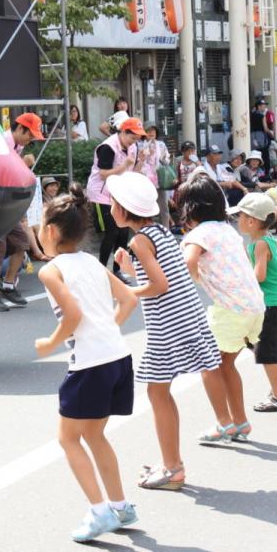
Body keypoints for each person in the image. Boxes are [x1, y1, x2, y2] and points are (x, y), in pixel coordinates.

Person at [34, 184, 140, 542]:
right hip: (117, 357)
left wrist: (51, 342)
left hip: (90, 364)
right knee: (95, 435)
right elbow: (127, 299)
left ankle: (99, 512)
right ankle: (122, 506)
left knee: (68, 439)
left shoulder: (51, 271)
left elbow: (73, 315)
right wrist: (107, 328)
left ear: (50, 232)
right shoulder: (92, 262)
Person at [108, 173, 220, 491]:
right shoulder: (156, 232)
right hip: (184, 315)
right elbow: (160, 275)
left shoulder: (139, 240)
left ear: (123, 208)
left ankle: (173, 468)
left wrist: (123, 289)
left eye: (113, 203)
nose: (109, 207)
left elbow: (159, 285)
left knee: (157, 392)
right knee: (160, 391)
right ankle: (172, 464)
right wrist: (131, 272)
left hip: (169, 322)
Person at [178, 175, 265, 445]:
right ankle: (240, 421)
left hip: (229, 309)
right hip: (253, 307)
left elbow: (188, 261)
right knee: (226, 365)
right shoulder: (227, 229)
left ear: (189, 209)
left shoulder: (199, 234)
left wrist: (192, 281)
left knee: (208, 365)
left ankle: (224, 423)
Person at [0, 114, 49, 312]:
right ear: (20, 129)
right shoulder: (1, 143)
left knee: (21, 242)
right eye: (30, 135)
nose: (31, 140)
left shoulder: (17, 146)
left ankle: (8, 285)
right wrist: (22, 165)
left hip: (7, 203)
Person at [232, 192, 277, 413]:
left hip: (269, 302)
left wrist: (238, 275)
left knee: (265, 350)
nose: (237, 220)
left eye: (240, 216)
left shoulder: (259, 244)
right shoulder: (267, 240)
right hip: (274, 301)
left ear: (252, 221)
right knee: (253, 341)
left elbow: (259, 276)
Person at [86, 116, 147, 271]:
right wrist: (124, 165)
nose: (133, 142)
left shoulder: (133, 147)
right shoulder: (107, 147)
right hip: (101, 193)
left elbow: (132, 172)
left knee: (123, 231)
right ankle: (101, 270)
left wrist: (140, 162)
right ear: (123, 132)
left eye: (136, 139)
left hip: (119, 193)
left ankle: (117, 270)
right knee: (112, 231)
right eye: (132, 137)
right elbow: (103, 174)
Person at [140, 124, 173, 227]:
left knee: (163, 206)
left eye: (153, 130)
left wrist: (164, 158)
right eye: (148, 130)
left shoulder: (161, 144)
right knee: (146, 206)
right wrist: (147, 153)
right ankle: (147, 229)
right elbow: (139, 161)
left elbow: (166, 161)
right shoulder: (139, 145)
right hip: (145, 180)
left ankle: (166, 230)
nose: (151, 133)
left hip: (160, 179)